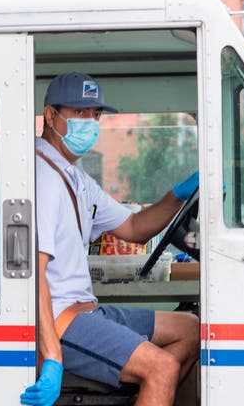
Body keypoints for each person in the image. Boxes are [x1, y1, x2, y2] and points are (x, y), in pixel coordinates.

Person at [20, 73, 200, 406]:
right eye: (79, 113)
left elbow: (134, 227)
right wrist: (52, 356)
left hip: (84, 310)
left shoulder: (72, 175)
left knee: (190, 331)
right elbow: (35, 274)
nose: (90, 123)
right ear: (49, 115)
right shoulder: (41, 175)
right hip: (61, 320)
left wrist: (180, 193)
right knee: (162, 367)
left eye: (95, 115)